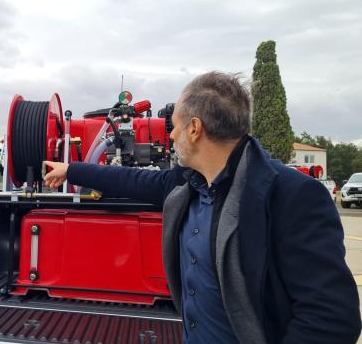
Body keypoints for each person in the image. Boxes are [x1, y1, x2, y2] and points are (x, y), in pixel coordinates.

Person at [44, 72, 361, 343]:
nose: (171, 134)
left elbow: (331, 318)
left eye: (176, 126)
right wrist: (71, 170)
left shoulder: (293, 196)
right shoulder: (186, 183)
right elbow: (133, 179)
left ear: (195, 129)